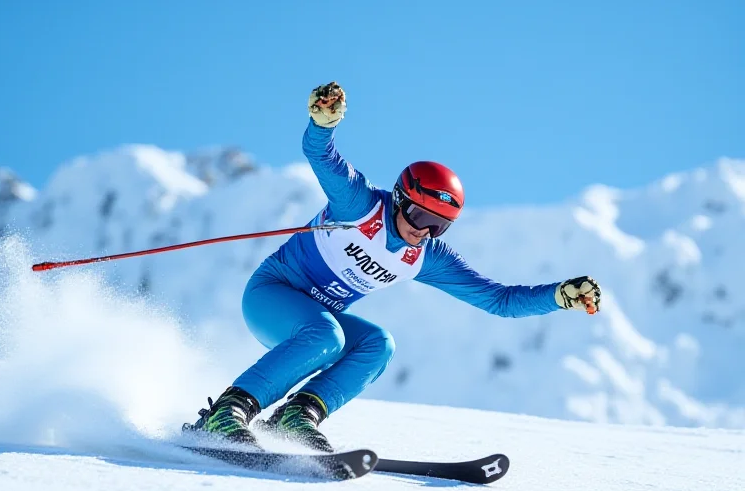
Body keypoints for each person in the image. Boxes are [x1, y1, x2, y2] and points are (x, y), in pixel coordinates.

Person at [185, 81, 602, 452]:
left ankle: (298, 418)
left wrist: (559, 296)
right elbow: (319, 152)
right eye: (422, 218)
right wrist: (323, 122)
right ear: (401, 199)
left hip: (316, 323)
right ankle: (226, 413)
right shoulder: (359, 204)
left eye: (439, 227)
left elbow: (499, 301)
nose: (425, 232)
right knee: (325, 334)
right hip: (272, 296)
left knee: (377, 344)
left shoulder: (424, 256)